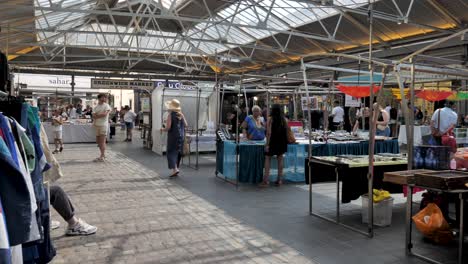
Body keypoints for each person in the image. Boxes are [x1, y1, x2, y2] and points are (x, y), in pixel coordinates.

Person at [261, 104, 288, 187]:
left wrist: (267, 144)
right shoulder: (285, 120)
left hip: (273, 141)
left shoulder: (270, 119)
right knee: (280, 159)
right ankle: (279, 180)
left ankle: (266, 181)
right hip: (282, 142)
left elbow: (269, 133)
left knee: (267, 159)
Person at [160, 99, 187, 177]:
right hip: (181, 136)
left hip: (173, 136)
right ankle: (176, 168)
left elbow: (168, 127)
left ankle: (175, 169)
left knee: (170, 152)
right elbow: (186, 124)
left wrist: (162, 129)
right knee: (178, 152)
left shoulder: (170, 115)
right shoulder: (181, 114)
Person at [92, 94, 111, 162]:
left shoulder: (106, 105)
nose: (105, 98)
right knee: (98, 141)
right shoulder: (96, 107)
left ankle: (102, 155)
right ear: (99, 98)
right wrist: (97, 116)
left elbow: (105, 114)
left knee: (102, 141)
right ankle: (103, 155)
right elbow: (93, 115)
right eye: (104, 97)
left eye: (105, 97)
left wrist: (97, 115)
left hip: (103, 125)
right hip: (97, 125)